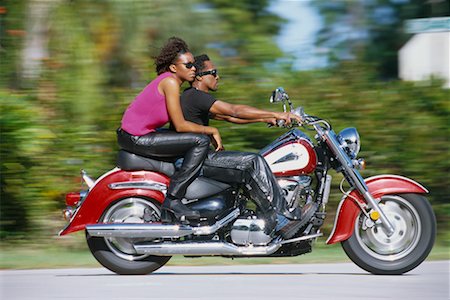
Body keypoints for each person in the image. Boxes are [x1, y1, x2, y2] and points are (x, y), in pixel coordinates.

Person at [178, 54, 305, 239]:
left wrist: (266, 119)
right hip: (198, 159)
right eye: (213, 73)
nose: (217, 77)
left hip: (197, 157)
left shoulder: (195, 99)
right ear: (199, 76)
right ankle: (280, 216)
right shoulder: (195, 97)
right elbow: (234, 110)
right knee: (253, 162)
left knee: (250, 164)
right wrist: (278, 113)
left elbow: (230, 117)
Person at [117, 38, 223, 222]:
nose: (193, 69)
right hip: (136, 137)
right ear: (174, 68)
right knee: (200, 141)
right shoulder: (170, 82)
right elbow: (181, 125)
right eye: (188, 65)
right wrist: (211, 130)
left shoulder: (169, 82)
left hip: (138, 134)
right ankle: (173, 198)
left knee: (189, 139)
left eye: (194, 66)